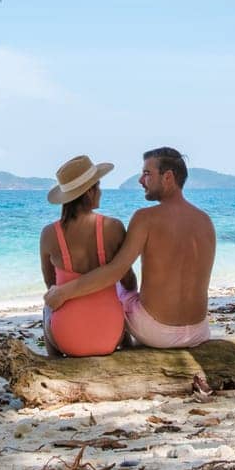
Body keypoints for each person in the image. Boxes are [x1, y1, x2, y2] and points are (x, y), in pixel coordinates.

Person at [45, 146, 215, 350]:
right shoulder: (205, 220)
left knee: (116, 289)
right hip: (199, 331)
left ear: (168, 177)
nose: (141, 181)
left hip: (157, 332)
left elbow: (114, 272)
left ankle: (117, 345)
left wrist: (62, 293)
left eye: (146, 174)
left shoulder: (145, 218)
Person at [40, 154, 137, 357]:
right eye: (98, 187)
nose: (100, 192)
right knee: (120, 296)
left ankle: (54, 362)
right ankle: (127, 349)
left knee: (47, 308)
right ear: (89, 192)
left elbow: (51, 285)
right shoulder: (113, 227)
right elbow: (128, 281)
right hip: (110, 336)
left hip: (67, 338)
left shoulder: (49, 234)